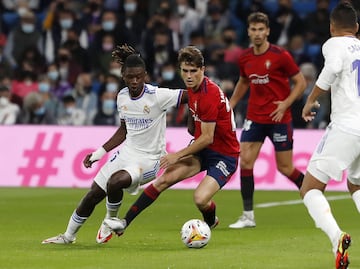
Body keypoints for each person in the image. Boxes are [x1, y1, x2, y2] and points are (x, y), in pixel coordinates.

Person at [41, 44, 186, 244]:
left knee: (115, 182)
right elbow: (124, 130)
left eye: (139, 76)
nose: (134, 81)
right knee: (93, 195)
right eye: (130, 77)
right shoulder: (122, 97)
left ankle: (110, 220)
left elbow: (191, 95)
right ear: (123, 76)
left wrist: (208, 99)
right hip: (127, 153)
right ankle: (68, 236)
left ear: (145, 75)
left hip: (151, 160)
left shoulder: (158, 96)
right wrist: (100, 152)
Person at [103, 45, 240, 240]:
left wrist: (177, 155)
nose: (189, 76)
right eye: (185, 71)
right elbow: (196, 127)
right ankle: (125, 222)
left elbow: (207, 138)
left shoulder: (209, 95)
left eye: (194, 71)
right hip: (203, 150)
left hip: (224, 155)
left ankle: (210, 221)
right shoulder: (193, 89)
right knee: (164, 180)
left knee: (200, 199)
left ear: (203, 70)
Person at [228, 12, 307, 229]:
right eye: (253, 29)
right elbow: (244, 81)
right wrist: (231, 105)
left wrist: (285, 103)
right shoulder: (244, 58)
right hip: (255, 117)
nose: (257, 34)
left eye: (261, 29)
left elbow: (300, 83)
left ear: (268, 31)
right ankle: (248, 216)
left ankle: (312, 193)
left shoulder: (281, 55)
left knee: (285, 167)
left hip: (279, 118)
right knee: (245, 162)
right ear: (248, 31)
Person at [300, 3, 360, 268]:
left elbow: (333, 68)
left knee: (310, 188)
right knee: (356, 185)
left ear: (332, 27)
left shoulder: (333, 44)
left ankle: (337, 237)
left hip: (347, 126)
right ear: (357, 28)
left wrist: (311, 99)